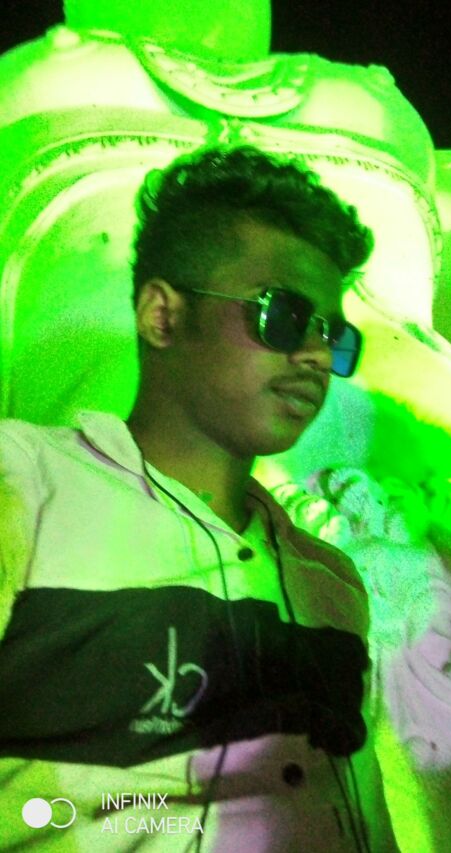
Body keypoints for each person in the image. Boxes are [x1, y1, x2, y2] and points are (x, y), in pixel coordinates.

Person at [0, 145, 398, 851]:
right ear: (163, 315)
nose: (314, 354)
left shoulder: (331, 583)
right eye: (282, 315)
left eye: (333, 335)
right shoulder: (26, 486)